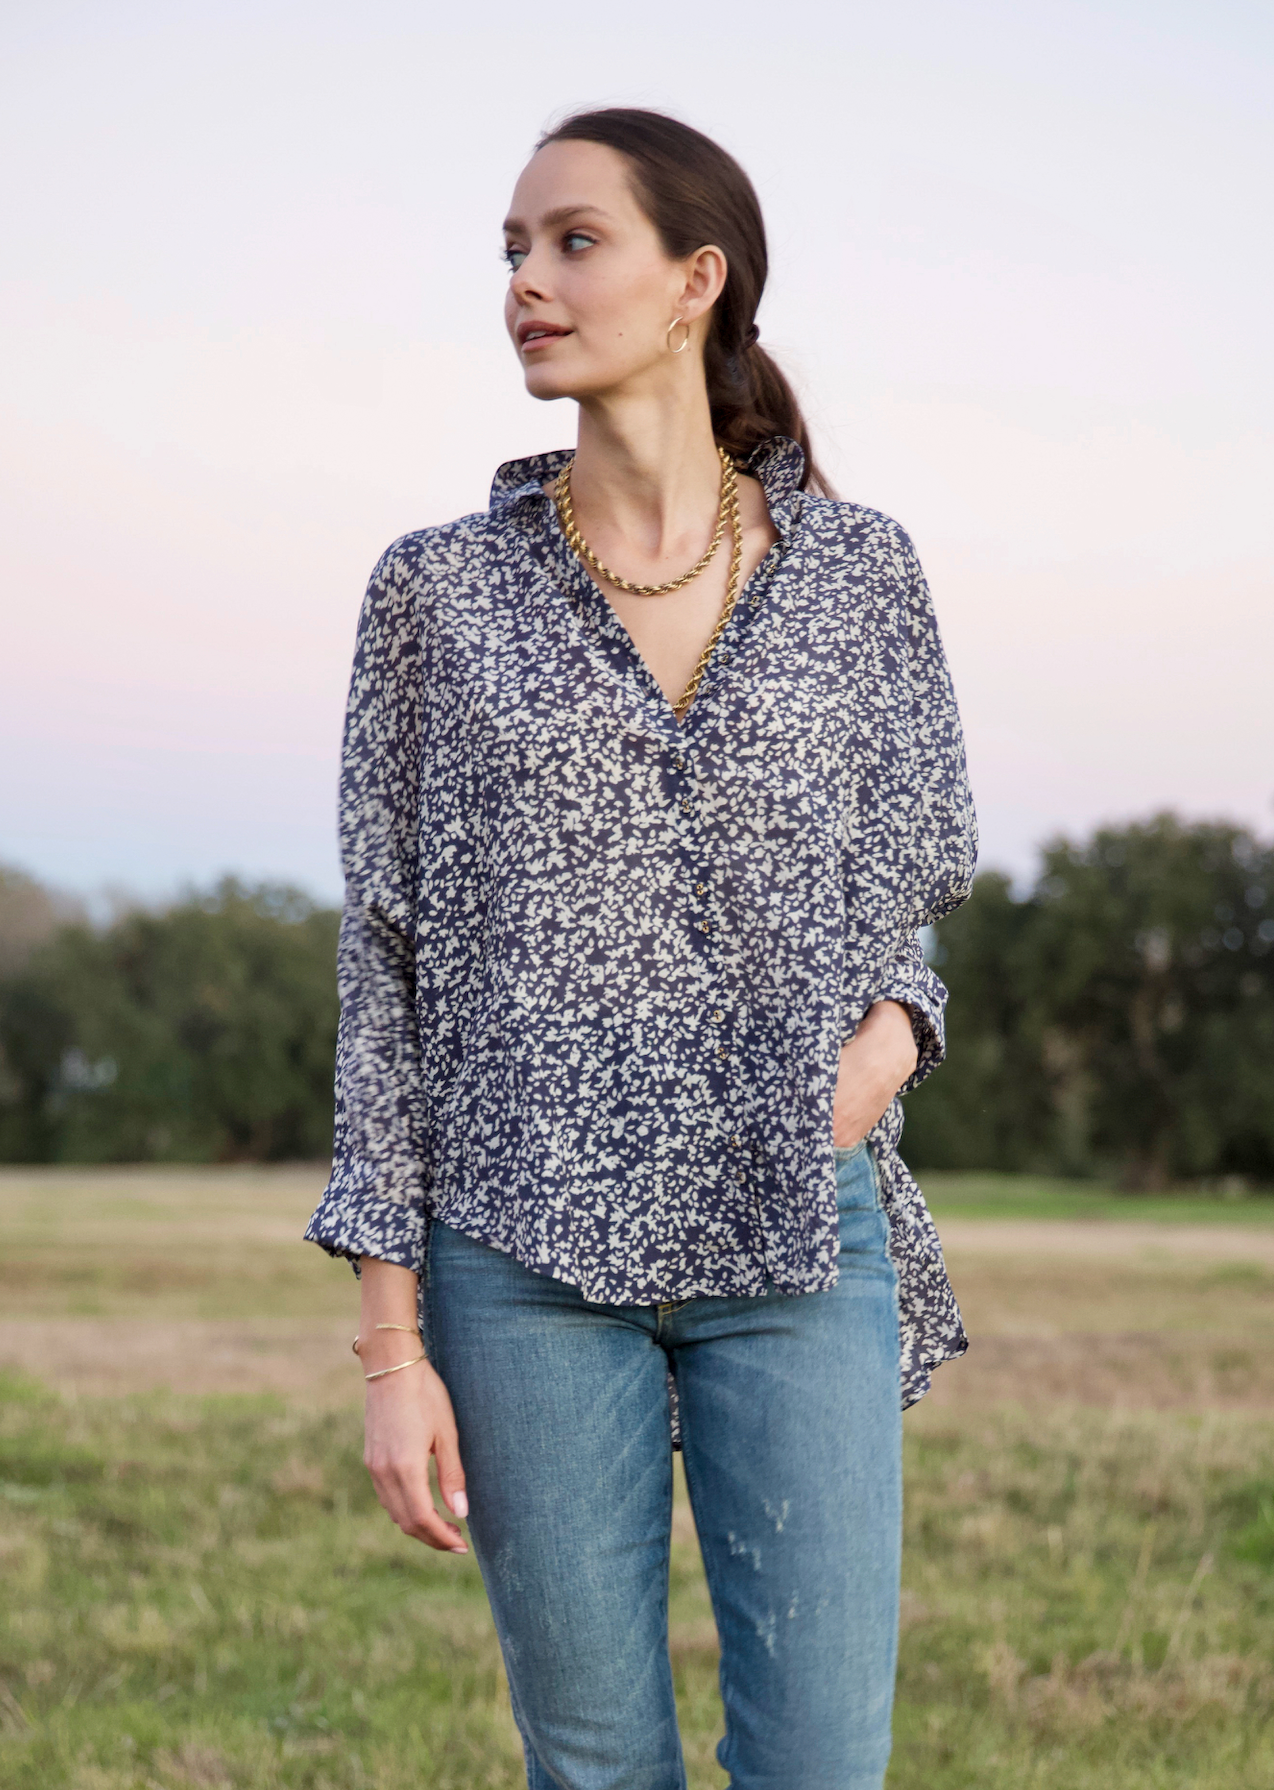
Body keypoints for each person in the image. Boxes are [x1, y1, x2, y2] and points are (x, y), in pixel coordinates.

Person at [305, 106, 977, 1790]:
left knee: (821, 1763)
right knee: (596, 1767)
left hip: (792, 1237)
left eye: (572, 241)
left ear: (696, 280)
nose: (525, 283)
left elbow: (913, 880)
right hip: (517, 1256)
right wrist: (391, 1348)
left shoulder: (859, 575)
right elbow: (383, 967)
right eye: (511, 251)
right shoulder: (435, 595)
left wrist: (889, 1037)